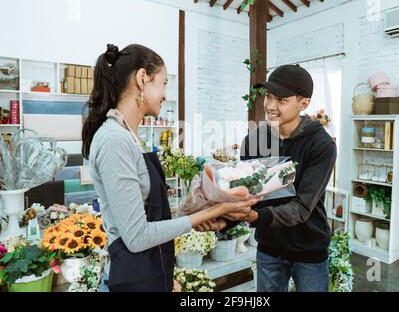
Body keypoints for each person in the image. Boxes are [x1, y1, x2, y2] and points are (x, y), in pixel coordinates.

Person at [82, 44, 258, 292]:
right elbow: (137, 237)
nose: (165, 94)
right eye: (163, 83)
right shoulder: (114, 140)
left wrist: (195, 213)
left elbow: (147, 216)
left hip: (151, 271)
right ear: (143, 79)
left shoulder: (128, 135)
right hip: (135, 278)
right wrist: (212, 211)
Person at [223, 65, 337, 292]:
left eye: (281, 100)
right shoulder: (253, 141)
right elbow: (248, 194)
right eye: (268, 96)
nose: (270, 106)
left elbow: (302, 207)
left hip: (309, 250)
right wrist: (223, 221)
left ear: (303, 104)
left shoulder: (321, 145)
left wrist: (254, 216)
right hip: (269, 248)